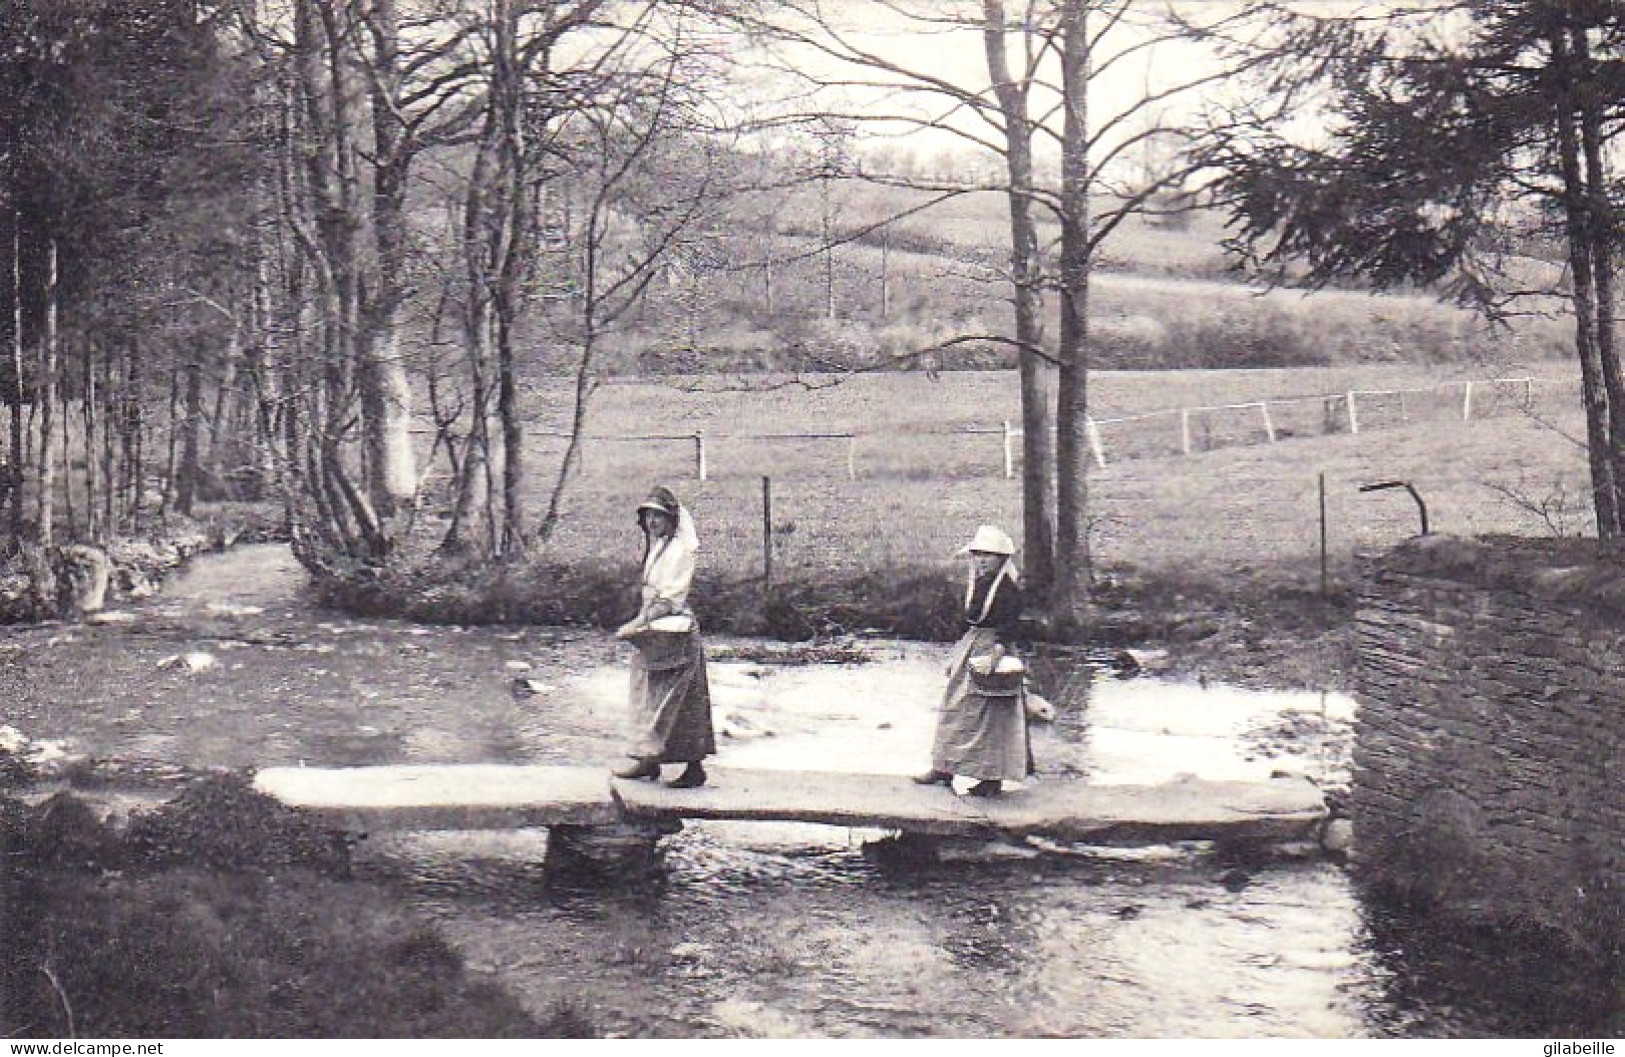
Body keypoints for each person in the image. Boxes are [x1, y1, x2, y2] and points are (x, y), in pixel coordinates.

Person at [612, 485, 716, 789]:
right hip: (656, 633)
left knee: (679, 702)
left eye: (659, 517)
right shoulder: (660, 546)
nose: (652, 523)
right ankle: (650, 760)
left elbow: (669, 599)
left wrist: (637, 623)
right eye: (648, 517)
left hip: (673, 634)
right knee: (648, 696)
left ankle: (691, 767)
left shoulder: (680, 551)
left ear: (672, 520)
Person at [914, 524, 1029, 797]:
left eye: (988, 556)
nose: (981, 561)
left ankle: (990, 779)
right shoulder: (978, 584)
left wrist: (995, 656)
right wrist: (957, 654)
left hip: (994, 652)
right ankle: (944, 768)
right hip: (972, 646)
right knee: (954, 706)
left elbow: (1014, 626)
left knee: (991, 715)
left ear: (1001, 559)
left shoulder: (1009, 590)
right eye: (978, 555)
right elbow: (969, 622)